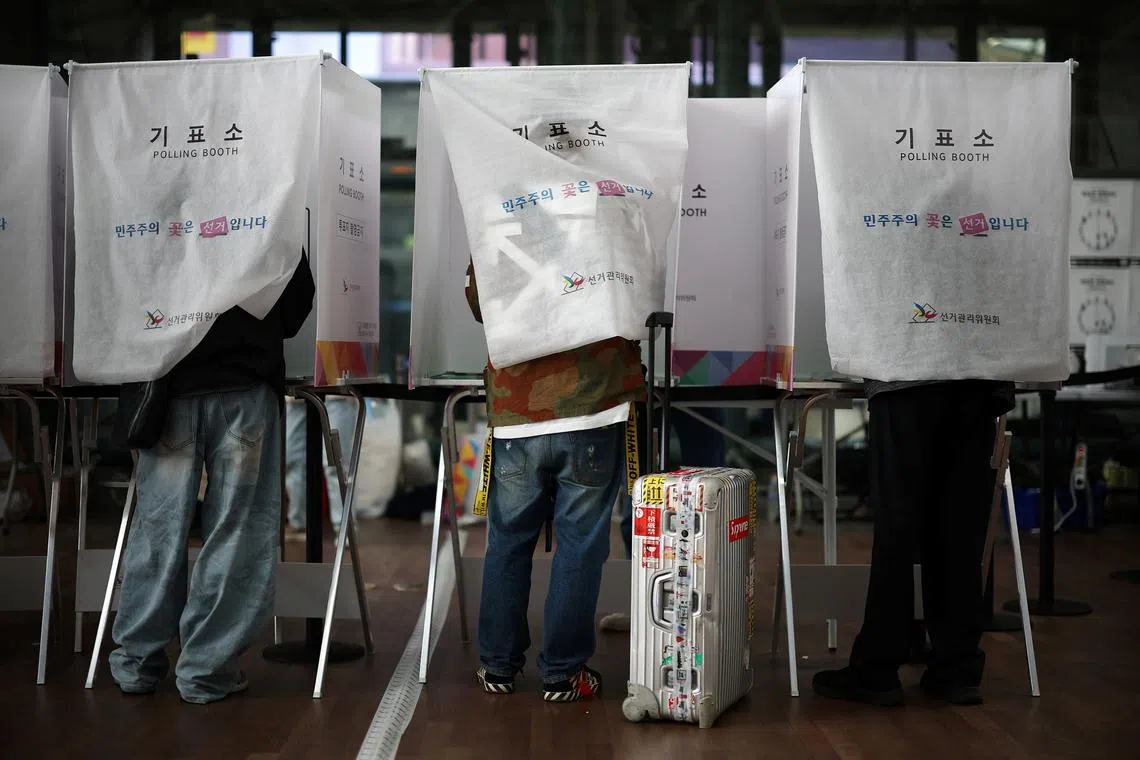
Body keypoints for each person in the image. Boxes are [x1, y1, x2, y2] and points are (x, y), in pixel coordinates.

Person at [108, 251, 315, 704]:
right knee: (235, 529)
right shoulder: (263, 195)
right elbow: (297, 301)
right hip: (244, 381)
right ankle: (206, 670)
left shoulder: (145, 193)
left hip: (163, 384)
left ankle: (137, 663)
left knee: (158, 527)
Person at [465, 259, 643, 702]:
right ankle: (563, 674)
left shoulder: (501, 213)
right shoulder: (614, 210)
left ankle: (497, 666)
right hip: (594, 404)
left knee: (507, 540)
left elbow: (478, 301)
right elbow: (641, 300)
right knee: (580, 545)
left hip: (517, 408)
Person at [812, 379, 1013, 707]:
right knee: (960, 526)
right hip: (978, 374)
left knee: (898, 522)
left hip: (906, 375)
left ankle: (878, 667)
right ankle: (956, 669)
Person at [283, 394, 359, 540]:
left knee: (336, 463)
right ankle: (298, 523)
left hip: (336, 393)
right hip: (297, 394)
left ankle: (344, 528)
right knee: (292, 458)